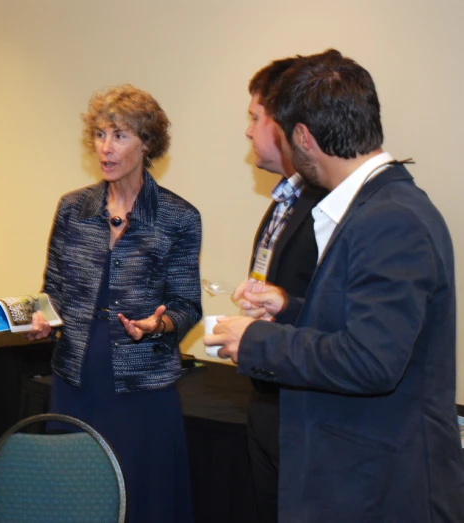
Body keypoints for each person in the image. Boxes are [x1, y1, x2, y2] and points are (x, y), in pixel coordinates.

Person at [206, 49, 464, 522]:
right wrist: (288, 312)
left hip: (382, 488)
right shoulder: (376, 207)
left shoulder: (392, 219)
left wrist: (258, 341)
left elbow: (371, 361)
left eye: (283, 136)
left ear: (304, 137)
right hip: (360, 479)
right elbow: (359, 328)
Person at [27, 85, 202, 523]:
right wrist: (42, 318)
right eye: (100, 135)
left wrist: (158, 326)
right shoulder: (72, 209)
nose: (106, 147)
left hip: (142, 386)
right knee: (76, 499)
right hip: (77, 377)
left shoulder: (179, 217)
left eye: (120, 136)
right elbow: (53, 290)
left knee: (143, 497)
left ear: (147, 144)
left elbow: (187, 304)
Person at [240, 56, 326, 523]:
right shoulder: (284, 200)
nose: (249, 132)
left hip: (304, 409)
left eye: (255, 118)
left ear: (285, 123)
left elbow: (332, 313)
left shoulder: (329, 208)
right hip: (267, 399)